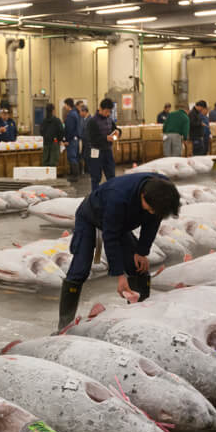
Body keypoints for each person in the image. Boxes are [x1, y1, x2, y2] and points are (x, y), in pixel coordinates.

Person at [57, 173, 181, 329]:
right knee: (80, 269)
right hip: (90, 217)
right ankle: (64, 325)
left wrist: (142, 251)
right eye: (149, 209)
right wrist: (119, 275)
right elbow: (110, 237)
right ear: (143, 196)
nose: (151, 213)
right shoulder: (118, 197)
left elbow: (152, 224)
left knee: (138, 267)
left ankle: (138, 320)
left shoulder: (162, 192)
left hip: (121, 223)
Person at [85, 98, 121, 189]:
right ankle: (95, 197)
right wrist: (106, 138)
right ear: (100, 109)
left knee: (111, 175)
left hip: (107, 151)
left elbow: (116, 129)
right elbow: (92, 138)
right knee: (96, 177)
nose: (108, 114)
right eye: (106, 111)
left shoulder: (109, 120)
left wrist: (118, 132)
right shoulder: (92, 122)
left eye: (110, 112)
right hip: (96, 152)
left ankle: (111, 195)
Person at [39, 103, 64, 169]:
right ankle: (52, 177)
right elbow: (61, 131)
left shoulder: (43, 121)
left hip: (46, 143)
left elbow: (41, 132)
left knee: (45, 161)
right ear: (53, 110)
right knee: (53, 162)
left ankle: (45, 176)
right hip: (55, 142)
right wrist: (60, 139)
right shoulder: (57, 121)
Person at [63, 98, 82, 183]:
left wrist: (67, 139)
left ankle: (75, 176)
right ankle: (75, 174)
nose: (64, 106)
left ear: (68, 105)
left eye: (65, 105)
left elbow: (69, 129)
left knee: (72, 157)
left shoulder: (71, 115)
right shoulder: (75, 113)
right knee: (75, 156)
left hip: (71, 140)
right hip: (76, 139)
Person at [78, 104, 91, 178]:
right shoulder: (82, 119)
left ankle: (88, 171)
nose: (79, 113)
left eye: (80, 112)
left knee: (88, 156)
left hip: (88, 141)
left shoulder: (90, 119)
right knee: (83, 156)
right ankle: (84, 170)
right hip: (83, 141)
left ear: (85, 111)